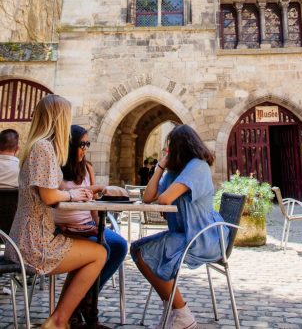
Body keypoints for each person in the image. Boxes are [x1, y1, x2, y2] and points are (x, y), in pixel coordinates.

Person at [5, 95, 107, 329]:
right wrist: (72, 195)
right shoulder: (43, 148)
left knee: (91, 252)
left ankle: (61, 318)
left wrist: (81, 191)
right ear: (59, 119)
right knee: (99, 253)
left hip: (27, 238)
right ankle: (59, 321)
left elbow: (51, 189)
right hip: (34, 243)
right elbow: (50, 196)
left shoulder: (39, 146)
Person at [131, 124, 230, 329]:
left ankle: (182, 314)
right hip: (185, 234)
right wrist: (160, 167)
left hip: (203, 237)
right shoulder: (176, 171)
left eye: (170, 147)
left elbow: (165, 199)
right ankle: (174, 311)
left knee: (145, 252)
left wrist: (163, 197)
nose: (168, 152)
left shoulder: (197, 166)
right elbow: (149, 197)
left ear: (180, 147)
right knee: (137, 249)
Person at [55, 124, 128, 326]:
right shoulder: (55, 169)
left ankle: (85, 299)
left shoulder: (87, 168)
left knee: (119, 245)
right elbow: (52, 202)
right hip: (64, 228)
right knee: (101, 247)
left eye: (88, 144)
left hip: (87, 225)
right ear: (70, 145)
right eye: (82, 144)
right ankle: (81, 308)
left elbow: (93, 204)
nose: (85, 149)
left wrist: (98, 225)